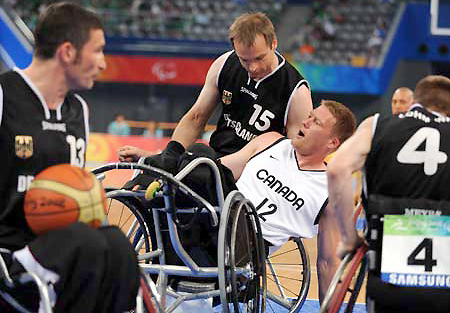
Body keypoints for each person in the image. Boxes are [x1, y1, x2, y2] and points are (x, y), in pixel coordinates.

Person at [131, 100, 356, 304]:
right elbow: (214, 169)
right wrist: (152, 156)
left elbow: (328, 261)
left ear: (332, 142)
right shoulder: (271, 142)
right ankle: (148, 183)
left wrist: (331, 310)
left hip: (247, 246)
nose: (305, 122)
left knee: (201, 156)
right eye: (309, 116)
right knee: (201, 156)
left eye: (315, 122)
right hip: (213, 220)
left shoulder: (331, 189)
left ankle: (160, 189)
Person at [0, 2, 139, 313]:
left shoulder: (79, 111)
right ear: (67, 52)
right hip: (8, 255)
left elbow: (78, 191)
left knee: (118, 245)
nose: (104, 63)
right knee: (86, 245)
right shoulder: (4, 95)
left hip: (61, 244)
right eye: (98, 51)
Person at [327, 75, 450, 312]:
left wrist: (348, 236)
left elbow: (336, 169)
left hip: (385, 239)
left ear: (417, 100)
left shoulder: (375, 125)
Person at [118, 11, 313, 160]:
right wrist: (170, 156)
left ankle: (155, 158)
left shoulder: (297, 92)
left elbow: (298, 154)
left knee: (197, 161)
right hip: (215, 160)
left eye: (259, 58)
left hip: (256, 174)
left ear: (274, 43)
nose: (252, 67)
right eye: (244, 59)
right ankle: (158, 160)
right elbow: (196, 117)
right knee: (159, 180)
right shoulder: (224, 64)